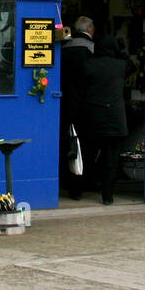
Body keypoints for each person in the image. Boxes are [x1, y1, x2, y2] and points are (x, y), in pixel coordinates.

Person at [78, 34, 132, 205]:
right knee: (111, 158)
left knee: (86, 155)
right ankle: (107, 195)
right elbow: (132, 65)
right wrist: (121, 51)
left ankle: (79, 189)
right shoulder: (121, 65)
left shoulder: (87, 64)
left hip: (92, 115)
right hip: (114, 117)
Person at [58, 16, 94, 200]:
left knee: (66, 143)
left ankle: (64, 180)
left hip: (63, 102)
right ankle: (80, 185)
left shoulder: (64, 47)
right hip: (84, 105)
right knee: (83, 146)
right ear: (89, 28)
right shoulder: (90, 49)